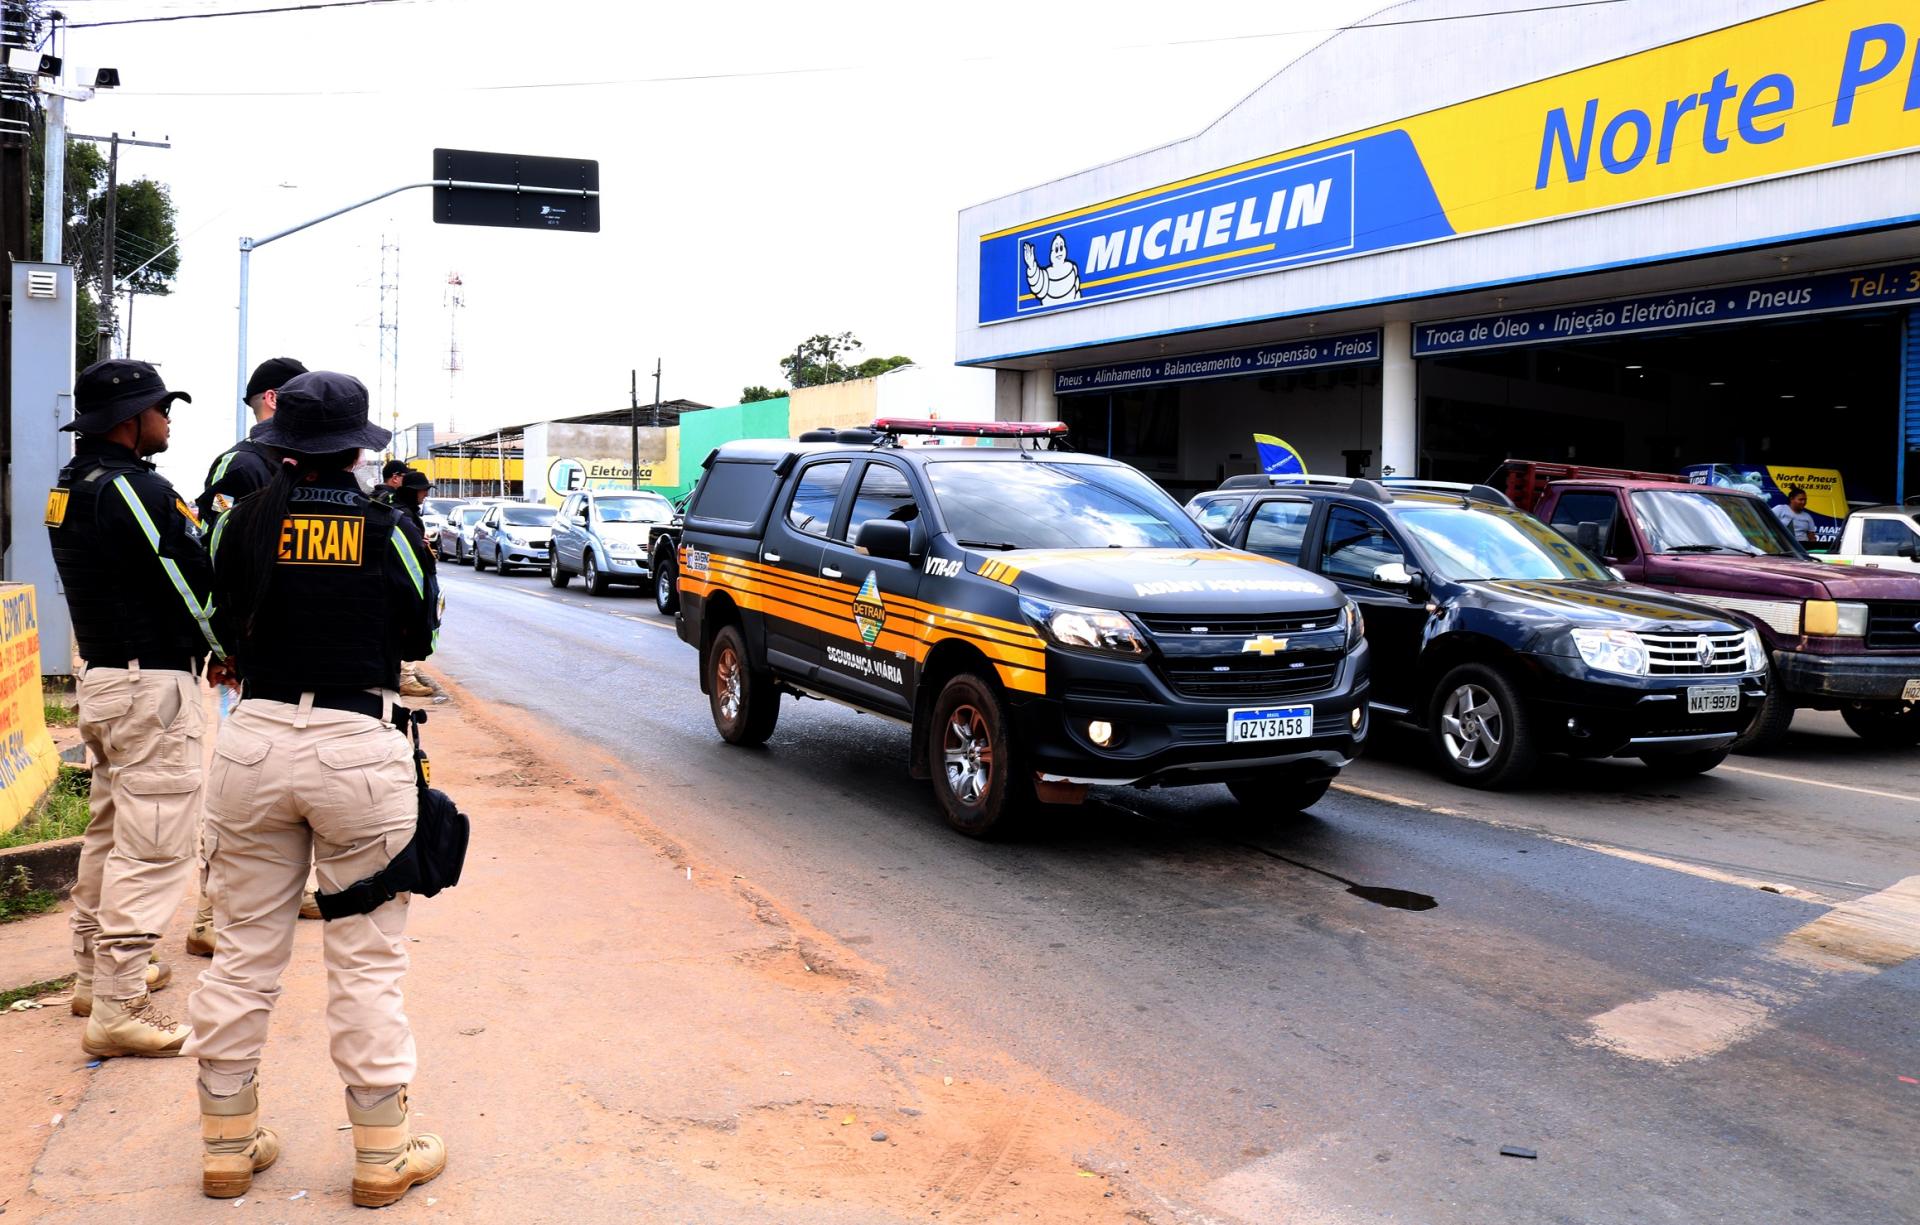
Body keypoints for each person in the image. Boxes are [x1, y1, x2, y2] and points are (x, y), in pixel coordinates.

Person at [186, 371, 445, 1206]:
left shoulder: (242, 522)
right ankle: (381, 1152)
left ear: (281, 443)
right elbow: (423, 630)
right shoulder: (387, 524)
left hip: (253, 742)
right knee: (367, 962)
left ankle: (227, 1144)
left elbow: (216, 617)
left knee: (242, 954)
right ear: (359, 448)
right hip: (355, 748)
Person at [45, 359, 223, 1058]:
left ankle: (93, 973)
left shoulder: (71, 486)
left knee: (112, 832)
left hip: (107, 680)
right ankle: (119, 1005)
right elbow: (191, 582)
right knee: (153, 846)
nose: (168, 419)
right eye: (161, 408)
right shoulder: (140, 491)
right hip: (153, 688)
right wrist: (227, 645)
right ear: (130, 420)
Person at [187, 356, 310, 960]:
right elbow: (212, 564)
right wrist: (226, 648)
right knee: (241, 791)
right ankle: (210, 913)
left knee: (293, 781)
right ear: (271, 400)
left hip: (287, 658)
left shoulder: (283, 464)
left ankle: (289, 887)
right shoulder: (243, 465)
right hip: (249, 659)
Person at [195, 357, 307, 530]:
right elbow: (214, 532)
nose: (314, 406)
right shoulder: (238, 465)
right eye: (305, 397)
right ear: (273, 399)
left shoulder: (308, 461)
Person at [392, 469, 438, 699]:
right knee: (409, 627)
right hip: (408, 585)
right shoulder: (403, 515)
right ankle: (404, 678)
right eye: (423, 491)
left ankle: (404, 676)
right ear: (412, 492)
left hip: (411, 583)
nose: (425, 496)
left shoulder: (407, 513)